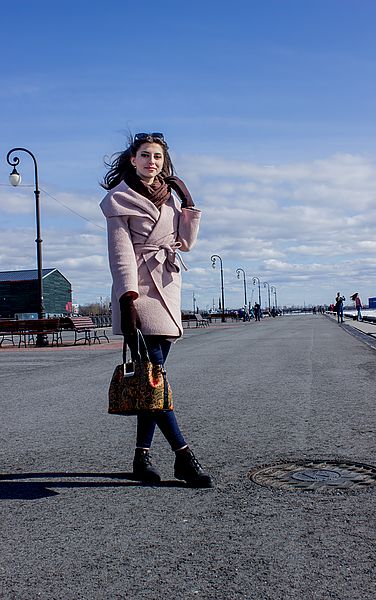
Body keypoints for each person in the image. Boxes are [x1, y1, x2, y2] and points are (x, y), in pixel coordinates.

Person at [100, 131, 213, 488]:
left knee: (153, 382)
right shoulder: (118, 198)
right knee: (155, 379)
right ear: (132, 160)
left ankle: (141, 458)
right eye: (146, 155)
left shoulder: (170, 198)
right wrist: (127, 299)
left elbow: (188, 243)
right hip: (139, 294)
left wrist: (187, 198)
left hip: (167, 287)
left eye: (159, 157)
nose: (153, 162)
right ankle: (184, 457)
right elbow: (120, 255)